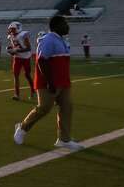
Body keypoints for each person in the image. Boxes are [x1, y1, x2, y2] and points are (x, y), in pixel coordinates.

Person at [14, 15, 82, 150]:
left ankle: (64, 139)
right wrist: (50, 82)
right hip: (48, 82)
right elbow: (41, 61)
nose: (67, 26)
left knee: (67, 108)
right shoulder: (48, 40)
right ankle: (22, 128)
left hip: (63, 82)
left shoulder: (61, 40)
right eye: (65, 23)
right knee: (44, 108)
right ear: (57, 26)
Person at [7, 21, 34, 101]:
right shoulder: (11, 36)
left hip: (26, 57)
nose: (11, 31)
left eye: (13, 29)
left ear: (18, 28)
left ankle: (33, 90)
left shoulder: (23, 35)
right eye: (11, 29)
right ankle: (17, 94)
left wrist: (16, 51)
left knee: (27, 75)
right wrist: (10, 49)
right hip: (17, 58)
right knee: (15, 75)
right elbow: (15, 46)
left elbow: (28, 48)